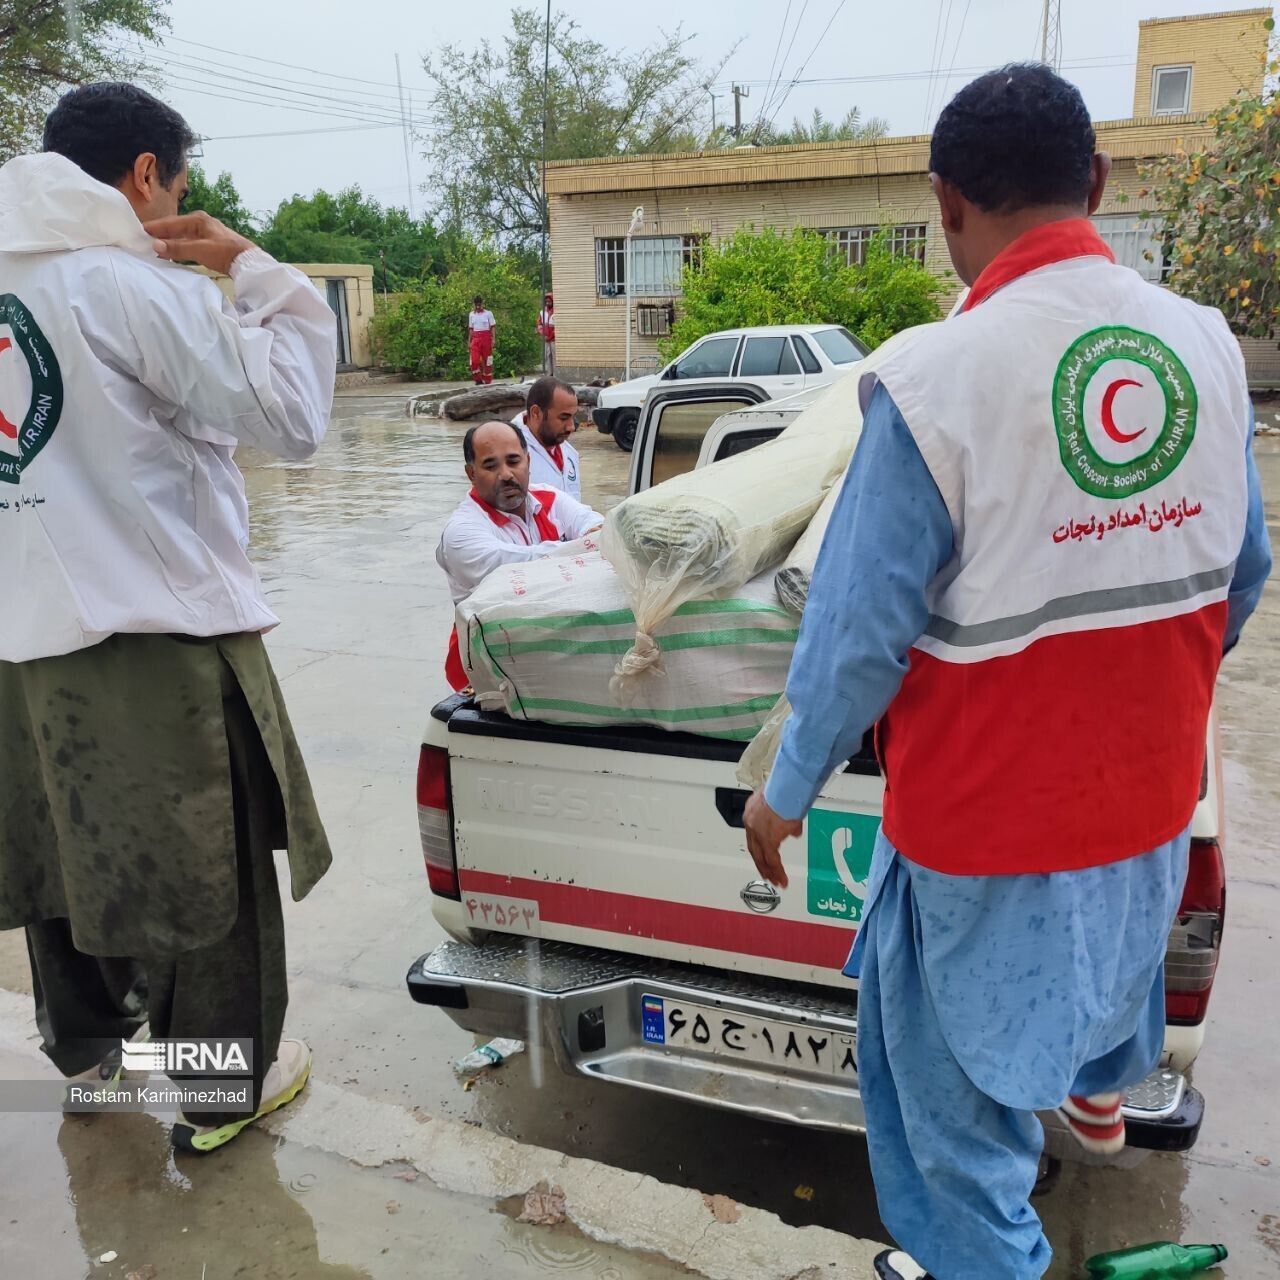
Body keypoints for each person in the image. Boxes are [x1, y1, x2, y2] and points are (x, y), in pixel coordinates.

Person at [741, 64, 1270, 1280]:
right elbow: (1239, 574)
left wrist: (782, 792)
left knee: (947, 1132)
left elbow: (855, 631)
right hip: (1140, 813)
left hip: (982, 835)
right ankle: (1078, 1119)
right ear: (1092, 179)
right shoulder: (1206, 349)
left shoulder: (932, 380)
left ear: (943, 205)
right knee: (1079, 1019)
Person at [0, 83, 338, 1153]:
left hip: (17, 639)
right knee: (206, 873)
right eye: (179, 186)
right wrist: (250, 266)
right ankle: (218, 1091)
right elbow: (291, 417)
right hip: (151, 640)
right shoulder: (127, 285)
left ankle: (95, 1061)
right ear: (146, 174)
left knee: (61, 851)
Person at [436, 420, 603, 689]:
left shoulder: (549, 499)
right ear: (471, 473)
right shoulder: (461, 532)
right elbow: (517, 567)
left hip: (551, 651)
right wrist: (590, 546)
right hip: (488, 669)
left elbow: (594, 524)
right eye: (491, 466)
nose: (506, 474)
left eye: (513, 461)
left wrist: (598, 537)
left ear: (528, 461)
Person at [512, 375, 583, 498]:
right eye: (564, 418)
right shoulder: (510, 455)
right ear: (536, 413)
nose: (571, 427)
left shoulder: (570, 454)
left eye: (573, 417)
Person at [468, 294, 496, 385]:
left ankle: (487, 380)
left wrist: (493, 339)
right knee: (474, 360)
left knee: (487, 360)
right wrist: (469, 341)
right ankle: (478, 379)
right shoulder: (471, 314)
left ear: (482, 304)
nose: (478, 307)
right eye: (476, 305)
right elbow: (471, 329)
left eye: (479, 305)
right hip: (475, 338)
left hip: (486, 337)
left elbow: (492, 327)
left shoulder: (488, 313)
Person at [537, 291, 555, 373]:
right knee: (547, 356)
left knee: (554, 355)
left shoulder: (556, 312)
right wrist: (543, 335)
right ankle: (549, 373)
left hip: (554, 339)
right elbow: (539, 325)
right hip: (546, 338)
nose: (548, 303)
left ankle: (556, 373)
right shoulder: (542, 312)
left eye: (549, 301)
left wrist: (551, 336)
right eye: (546, 301)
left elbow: (557, 327)